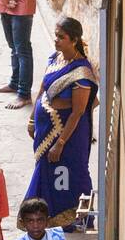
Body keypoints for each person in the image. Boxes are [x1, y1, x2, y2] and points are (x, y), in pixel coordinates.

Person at [23, 16, 97, 227]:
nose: (56, 40)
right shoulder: (55, 58)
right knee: (49, 174)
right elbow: (43, 88)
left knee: (71, 174)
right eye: (55, 36)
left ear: (74, 40)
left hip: (68, 135)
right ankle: (52, 215)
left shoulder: (82, 74)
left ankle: (79, 219)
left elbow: (78, 112)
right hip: (46, 130)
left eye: (61, 37)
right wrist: (32, 120)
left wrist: (60, 143)